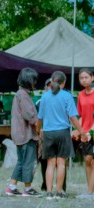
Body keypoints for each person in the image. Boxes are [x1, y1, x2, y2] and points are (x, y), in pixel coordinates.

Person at [37, 71, 82, 199]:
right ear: (64, 83)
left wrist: (38, 130)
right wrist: (81, 131)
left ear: (52, 81)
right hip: (63, 133)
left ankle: (49, 193)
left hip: (48, 133)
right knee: (61, 163)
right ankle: (59, 192)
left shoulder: (44, 97)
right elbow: (73, 117)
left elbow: (39, 118)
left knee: (50, 163)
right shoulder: (67, 96)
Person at [6, 68, 40, 196]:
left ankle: (12, 187)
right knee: (28, 162)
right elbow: (30, 116)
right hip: (26, 135)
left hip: (19, 134)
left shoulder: (19, 93)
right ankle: (28, 188)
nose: (35, 83)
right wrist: (39, 129)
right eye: (34, 80)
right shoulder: (23, 95)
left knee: (21, 161)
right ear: (28, 80)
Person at [76, 69, 94, 199]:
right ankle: (90, 190)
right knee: (87, 160)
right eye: (81, 78)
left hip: (92, 132)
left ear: (92, 78)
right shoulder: (80, 95)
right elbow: (81, 116)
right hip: (85, 133)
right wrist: (79, 130)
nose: (84, 80)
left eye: (86, 77)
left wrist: (91, 131)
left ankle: (89, 192)